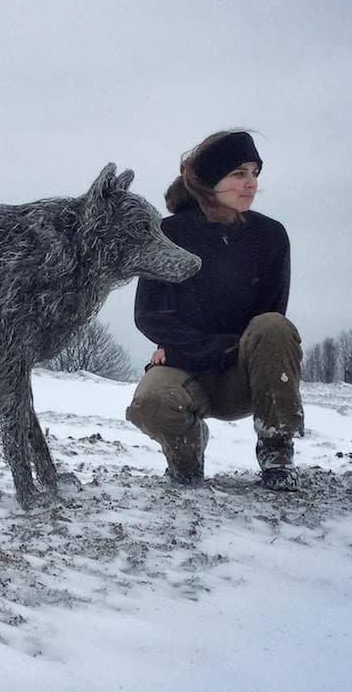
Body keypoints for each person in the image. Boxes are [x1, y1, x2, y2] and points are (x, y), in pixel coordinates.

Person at [126, 129, 304, 490]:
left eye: (254, 173)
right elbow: (149, 314)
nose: (250, 183)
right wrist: (190, 349)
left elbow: (270, 318)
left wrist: (226, 349)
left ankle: (277, 452)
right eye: (239, 174)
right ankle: (186, 459)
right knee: (150, 403)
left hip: (243, 376)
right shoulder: (167, 234)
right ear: (209, 180)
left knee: (274, 326)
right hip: (185, 368)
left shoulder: (270, 236)